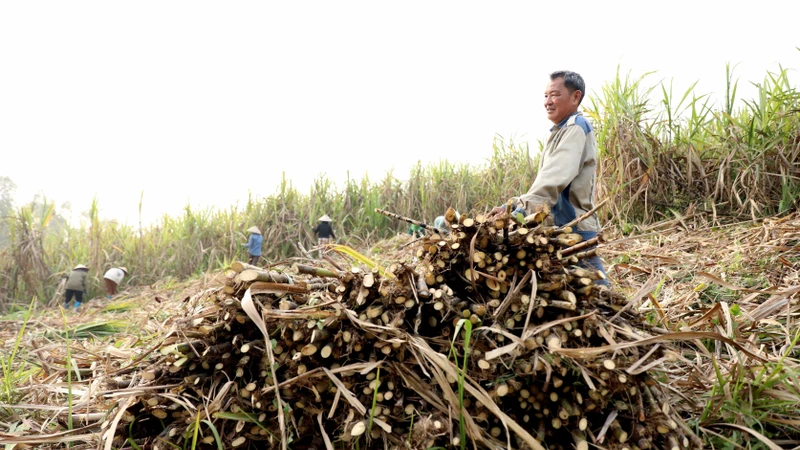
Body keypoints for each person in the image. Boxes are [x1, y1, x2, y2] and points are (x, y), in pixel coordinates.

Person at [490, 70, 608, 286]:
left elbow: (553, 180)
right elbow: (544, 181)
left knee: (598, 293)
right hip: (561, 224)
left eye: (554, 95)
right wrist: (512, 205)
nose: (547, 102)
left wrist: (520, 212)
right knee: (578, 292)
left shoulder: (574, 128)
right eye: (545, 96)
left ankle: (617, 319)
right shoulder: (560, 131)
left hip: (574, 225)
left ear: (575, 97)